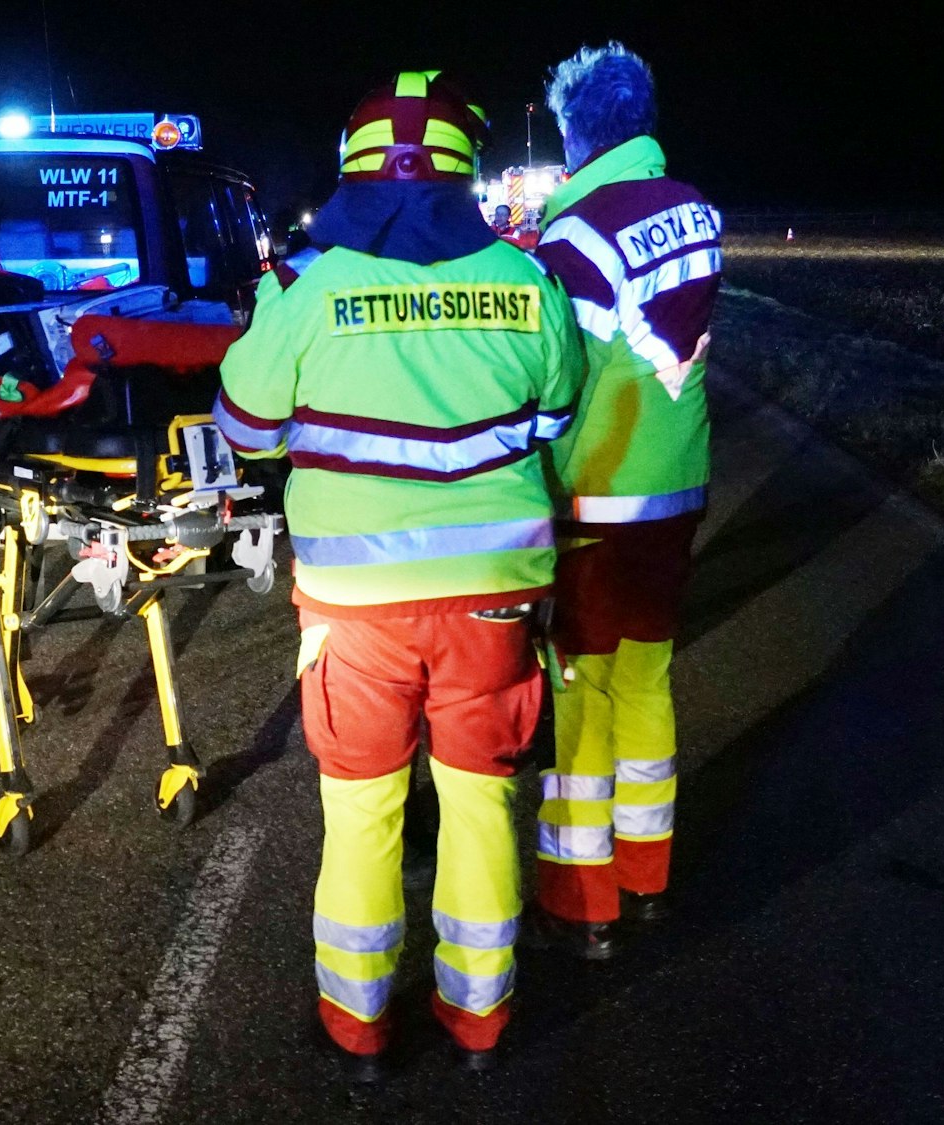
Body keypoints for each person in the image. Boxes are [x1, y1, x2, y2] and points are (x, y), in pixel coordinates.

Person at [217, 69, 584, 1076]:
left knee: (361, 812)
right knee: (480, 805)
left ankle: (358, 1029)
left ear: (356, 173)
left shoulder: (306, 289)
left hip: (357, 613)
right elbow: (555, 417)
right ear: (464, 176)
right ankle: (479, 1020)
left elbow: (245, 428)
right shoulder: (527, 285)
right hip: (493, 604)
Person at [528, 42, 723, 959]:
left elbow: (555, 376)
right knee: (649, 676)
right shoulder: (697, 212)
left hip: (596, 494)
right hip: (677, 484)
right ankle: (647, 873)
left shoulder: (575, 235)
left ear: (576, 134)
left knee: (581, 688)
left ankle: (582, 897)